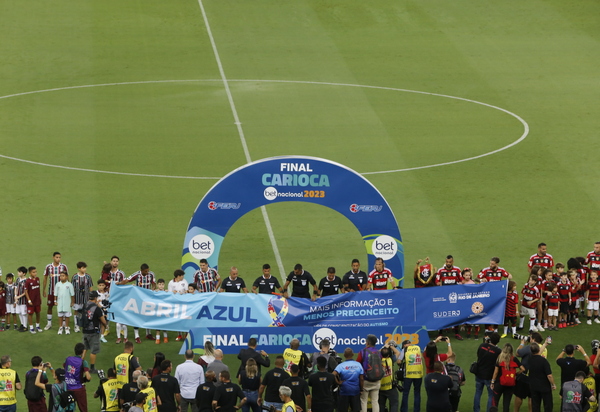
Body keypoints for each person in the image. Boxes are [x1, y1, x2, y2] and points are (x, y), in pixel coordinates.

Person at [118, 263, 156, 343]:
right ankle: (137, 336)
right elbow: (127, 280)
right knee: (137, 316)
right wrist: (119, 284)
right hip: (138, 298)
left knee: (147, 315)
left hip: (147, 299)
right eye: (146, 271)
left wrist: (152, 290)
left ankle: (148, 333)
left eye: (148, 270)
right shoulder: (137, 275)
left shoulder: (151, 274)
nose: (147, 272)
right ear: (142, 270)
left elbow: (153, 283)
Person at [491, 343, 524, 412]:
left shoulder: (500, 358)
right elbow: (523, 369)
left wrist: (492, 382)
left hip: (499, 383)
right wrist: (516, 374)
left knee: (495, 403)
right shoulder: (514, 359)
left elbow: (496, 372)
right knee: (506, 404)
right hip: (510, 384)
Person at [473, 332, 501, 412]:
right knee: (491, 395)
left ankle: (476, 410)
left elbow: (479, 355)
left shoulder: (482, 346)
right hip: (489, 376)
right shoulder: (498, 351)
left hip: (479, 374)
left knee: (478, 393)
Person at [80, 290, 107, 374]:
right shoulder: (97, 309)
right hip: (93, 332)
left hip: (85, 330)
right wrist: (105, 325)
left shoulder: (85, 305)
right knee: (93, 351)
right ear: (95, 298)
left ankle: (80, 365)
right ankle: (92, 368)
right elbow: (103, 321)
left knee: (85, 348)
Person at [355, 334, 383, 412]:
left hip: (365, 380)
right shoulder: (378, 353)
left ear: (367, 342)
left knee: (363, 401)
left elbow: (357, 364)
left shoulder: (362, 352)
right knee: (375, 401)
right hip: (376, 380)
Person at [42, 252, 68, 331]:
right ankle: (49, 323)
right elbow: (45, 279)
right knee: (50, 306)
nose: (58, 259)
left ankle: (63, 324)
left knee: (63, 307)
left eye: (59, 257)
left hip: (62, 292)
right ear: (53, 257)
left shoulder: (63, 266)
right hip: (51, 291)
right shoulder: (48, 267)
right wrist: (44, 290)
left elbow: (67, 278)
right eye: (57, 257)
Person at [528, 342, 556, 412]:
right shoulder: (544, 361)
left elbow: (537, 355)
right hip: (545, 387)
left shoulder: (530, 359)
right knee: (548, 405)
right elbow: (549, 375)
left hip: (534, 386)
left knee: (535, 405)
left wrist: (544, 345)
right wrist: (553, 384)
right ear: (538, 350)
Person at [64, 342, 92, 412]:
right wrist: (84, 379)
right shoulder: (83, 362)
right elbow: (88, 377)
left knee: (68, 409)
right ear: (83, 351)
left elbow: (65, 367)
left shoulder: (68, 359)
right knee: (83, 409)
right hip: (79, 389)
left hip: (68, 388)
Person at [400, 340, 423, 412]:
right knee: (417, 393)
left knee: (405, 393)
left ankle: (404, 410)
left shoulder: (405, 350)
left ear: (404, 345)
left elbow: (399, 361)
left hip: (408, 374)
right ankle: (417, 410)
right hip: (418, 374)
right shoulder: (418, 348)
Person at [108, 256, 128, 343]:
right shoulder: (107, 273)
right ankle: (107, 328)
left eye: (116, 261)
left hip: (119, 296)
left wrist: (118, 283)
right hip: (109, 295)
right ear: (111, 262)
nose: (115, 262)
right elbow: (102, 281)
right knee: (107, 312)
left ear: (118, 263)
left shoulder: (121, 273)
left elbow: (124, 283)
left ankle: (122, 331)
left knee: (119, 313)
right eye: (113, 261)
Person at [71, 262, 94, 333]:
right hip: (77, 298)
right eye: (83, 268)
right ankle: (76, 325)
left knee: (86, 311)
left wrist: (91, 297)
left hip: (86, 298)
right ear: (79, 268)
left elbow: (90, 287)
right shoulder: (75, 277)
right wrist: (72, 300)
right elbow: (72, 289)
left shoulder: (88, 277)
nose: (85, 269)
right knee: (76, 311)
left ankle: (85, 324)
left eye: (85, 268)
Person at [379, 343, 400, 412]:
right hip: (390, 387)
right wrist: (390, 346)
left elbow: (375, 353)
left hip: (380, 387)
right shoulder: (390, 360)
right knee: (394, 403)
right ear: (388, 355)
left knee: (381, 405)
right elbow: (397, 352)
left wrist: (383, 348)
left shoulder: (377, 360)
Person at [24, 266, 43, 333]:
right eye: (33, 272)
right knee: (30, 314)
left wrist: (40, 298)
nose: (35, 273)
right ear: (30, 273)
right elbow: (26, 291)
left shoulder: (37, 279)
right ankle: (31, 327)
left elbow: (37, 290)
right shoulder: (28, 281)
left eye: (36, 272)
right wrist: (29, 300)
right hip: (31, 301)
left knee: (38, 313)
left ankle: (37, 326)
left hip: (37, 300)